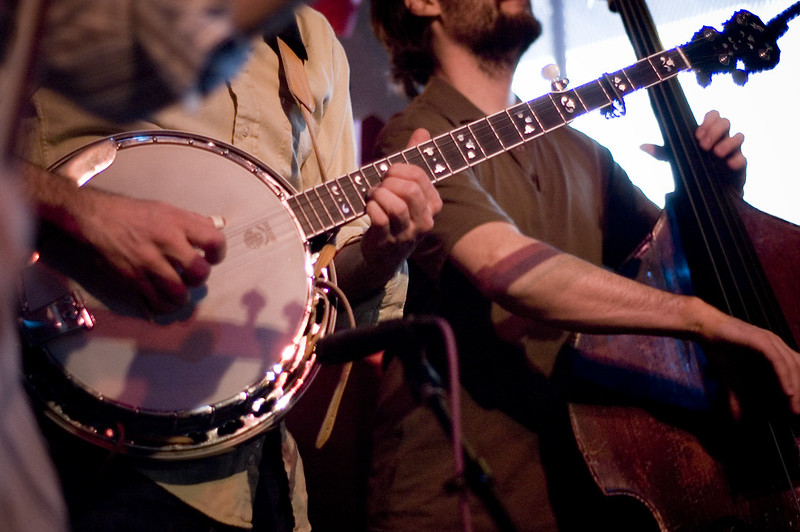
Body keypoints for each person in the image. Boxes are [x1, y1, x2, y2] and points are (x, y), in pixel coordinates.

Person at [366, 0, 800, 531]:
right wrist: (705, 318)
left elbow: (663, 264)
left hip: (585, 499)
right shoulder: (417, 139)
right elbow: (509, 269)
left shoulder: (580, 149)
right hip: (455, 502)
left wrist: (716, 196)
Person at [20, 3, 440, 531]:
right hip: (61, 434)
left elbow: (325, 271)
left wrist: (384, 250)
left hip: (249, 461)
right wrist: (83, 212)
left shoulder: (311, 37)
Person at [1, 1, 311, 531]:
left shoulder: (310, 44)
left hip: (243, 449)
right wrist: (81, 210)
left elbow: (136, 58)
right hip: (57, 400)